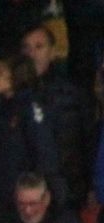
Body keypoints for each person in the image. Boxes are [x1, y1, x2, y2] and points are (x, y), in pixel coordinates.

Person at [0, 57, 65, 214]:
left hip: (26, 201)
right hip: (0, 199)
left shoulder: (30, 107)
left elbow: (44, 156)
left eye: (0, 73)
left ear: (16, 77)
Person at [22, 25, 93, 208]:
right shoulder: (12, 98)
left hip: (68, 195)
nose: (32, 54)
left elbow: (88, 142)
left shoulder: (73, 94)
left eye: (39, 47)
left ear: (52, 52)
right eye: (27, 48)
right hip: (26, 197)